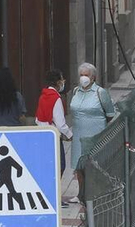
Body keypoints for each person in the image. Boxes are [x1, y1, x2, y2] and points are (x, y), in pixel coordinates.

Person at [66, 63, 116, 203]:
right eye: (81, 75)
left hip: (95, 134)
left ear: (93, 77)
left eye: (86, 75)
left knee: (94, 165)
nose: (83, 78)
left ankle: (97, 193)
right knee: (79, 166)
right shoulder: (76, 91)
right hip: (79, 134)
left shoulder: (100, 93)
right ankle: (80, 194)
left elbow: (110, 113)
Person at [35, 69, 73, 173]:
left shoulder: (43, 96)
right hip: (54, 136)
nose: (63, 81)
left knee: (48, 165)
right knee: (60, 166)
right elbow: (60, 123)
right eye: (62, 79)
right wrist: (69, 135)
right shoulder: (56, 98)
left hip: (43, 134)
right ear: (57, 82)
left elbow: (37, 118)